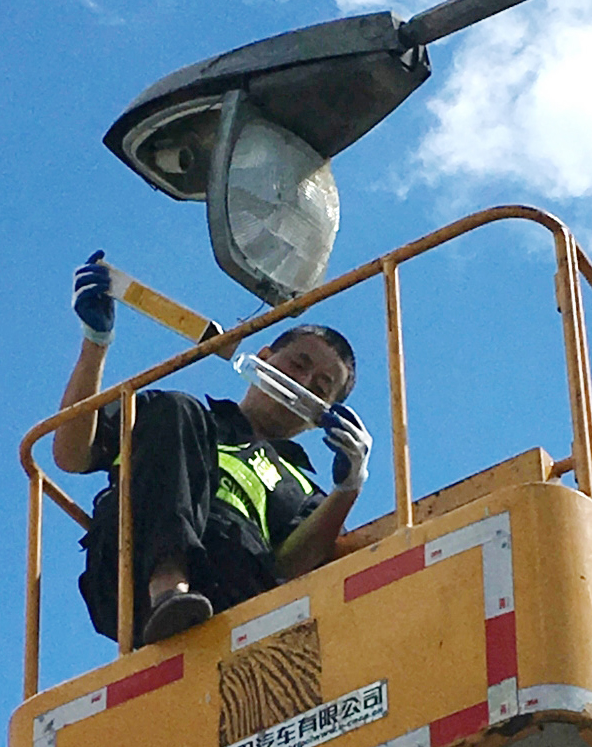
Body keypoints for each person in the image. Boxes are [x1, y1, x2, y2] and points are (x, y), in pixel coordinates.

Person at [55, 251, 372, 646]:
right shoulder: (173, 418)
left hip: (234, 594)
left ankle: (178, 600)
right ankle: (168, 587)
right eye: (298, 364)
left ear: (321, 415)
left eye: (320, 387)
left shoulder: (304, 491)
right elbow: (71, 455)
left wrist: (349, 486)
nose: (303, 383)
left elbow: (291, 565)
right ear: (264, 358)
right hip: (127, 573)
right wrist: (95, 343)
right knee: (179, 405)